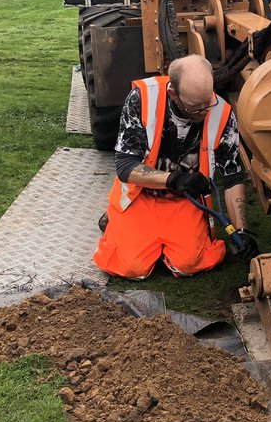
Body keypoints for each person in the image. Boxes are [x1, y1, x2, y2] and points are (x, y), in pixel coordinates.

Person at [93, 56, 258, 279]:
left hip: (184, 201)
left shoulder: (221, 112)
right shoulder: (142, 99)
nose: (204, 112)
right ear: (174, 95)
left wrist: (242, 230)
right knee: (131, 268)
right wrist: (175, 180)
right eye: (194, 108)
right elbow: (125, 167)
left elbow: (232, 178)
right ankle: (116, 223)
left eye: (207, 102)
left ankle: (154, 242)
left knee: (190, 263)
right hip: (141, 196)